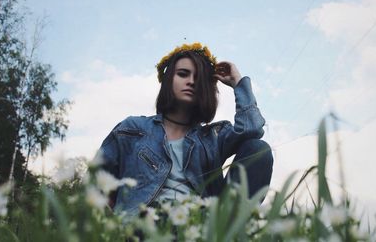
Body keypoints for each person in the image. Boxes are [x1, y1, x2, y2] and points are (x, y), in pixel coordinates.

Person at [97, 42, 273, 216]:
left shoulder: (213, 137)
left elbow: (253, 129)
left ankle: (226, 232)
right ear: (168, 80)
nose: (191, 82)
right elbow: (96, 181)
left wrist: (238, 83)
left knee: (258, 150)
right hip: (141, 225)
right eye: (183, 74)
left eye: (198, 78)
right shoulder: (133, 129)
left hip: (197, 227)